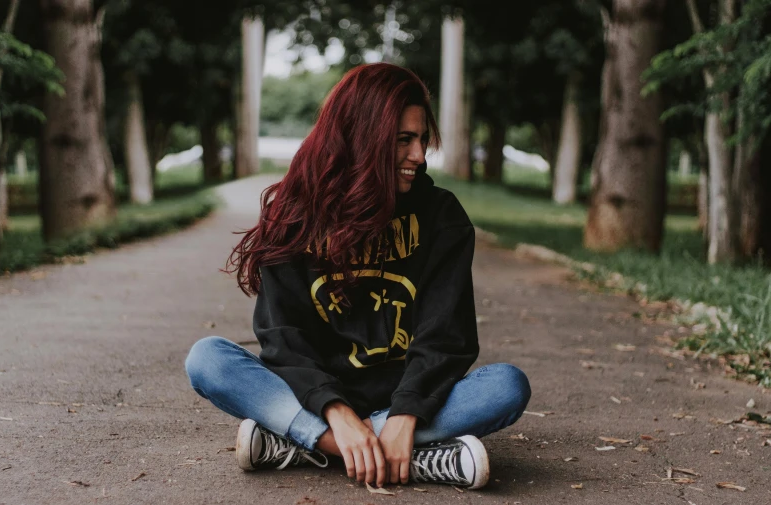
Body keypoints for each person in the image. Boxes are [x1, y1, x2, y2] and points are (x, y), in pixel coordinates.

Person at [185, 63, 531, 491]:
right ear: (362, 136)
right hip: (314, 399)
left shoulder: (442, 218)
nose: (420, 156)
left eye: (422, 139)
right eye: (404, 140)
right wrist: (338, 416)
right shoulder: (293, 216)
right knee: (208, 359)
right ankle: (400, 456)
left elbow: (446, 338)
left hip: (406, 401)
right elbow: (284, 338)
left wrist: (404, 416)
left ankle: (304, 445)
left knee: (507, 386)